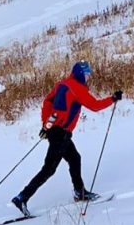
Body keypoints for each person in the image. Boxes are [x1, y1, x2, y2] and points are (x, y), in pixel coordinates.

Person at [11, 60, 122, 216]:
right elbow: (95, 106)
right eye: (87, 74)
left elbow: (48, 103)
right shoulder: (77, 88)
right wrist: (113, 98)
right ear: (80, 74)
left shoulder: (62, 84)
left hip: (57, 132)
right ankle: (22, 197)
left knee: (75, 158)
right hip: (60, 134)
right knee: (48, 170)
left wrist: (46, 126)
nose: (88, 77)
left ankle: (79, 192)